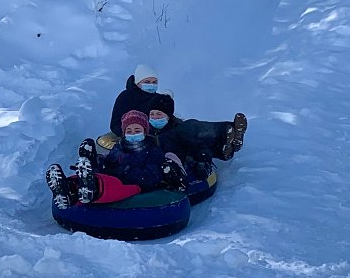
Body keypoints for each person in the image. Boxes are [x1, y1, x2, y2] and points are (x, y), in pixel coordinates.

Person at [45, 110, 185, 209]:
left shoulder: (153, 152)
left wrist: (123, 171)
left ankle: (91, 189)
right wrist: (99, 163)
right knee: (98, 175)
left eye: (137, 130)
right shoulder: (119, 148)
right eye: (129, 131)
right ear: (123, 134)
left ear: (145, 132)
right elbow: (109, 163)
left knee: (112, 184)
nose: (133, 134)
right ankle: (68, 189)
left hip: (134, 186)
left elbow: (150, 178)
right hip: (112, 178)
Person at [110, 64, 248, 161]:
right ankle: (220, 148)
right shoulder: (126, 97)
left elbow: (166, 114)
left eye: (154, 82)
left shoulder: (156, 97)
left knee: (189, 127)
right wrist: (130, 133)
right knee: (183, 138)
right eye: (147, 81)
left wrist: (177, 123)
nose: (151, 85)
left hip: (159, 130)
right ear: (138, 82)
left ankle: (230, 133)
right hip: (142, 135)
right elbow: (115, 123)